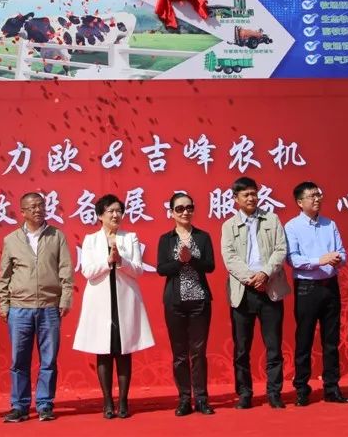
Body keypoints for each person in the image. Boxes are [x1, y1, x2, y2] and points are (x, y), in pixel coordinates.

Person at [73, 194, 154, 419]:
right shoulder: (91, 240)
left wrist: (120, 261)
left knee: (124, 351)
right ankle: (107, 401)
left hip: (125, 300)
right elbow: (87, 271)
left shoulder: (130, 237)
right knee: (104, 351)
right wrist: (107, 261)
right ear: (100, 215)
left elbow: (138, 269)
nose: (116, 215)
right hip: (100, 302)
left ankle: (124, 401)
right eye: (111, 211)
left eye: (119, 211)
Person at [0, 193, 73, 423]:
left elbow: (66, 271)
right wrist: (4, 304)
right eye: (32, 207)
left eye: (41, 205)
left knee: (48, 360)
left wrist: (65, 300)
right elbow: (4, 276)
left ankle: (45, 404)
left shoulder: (56, 236)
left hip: (49, 307)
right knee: (19, 361)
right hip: (19, 308)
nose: (38, 210)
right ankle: (19, 406)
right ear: (22, 212)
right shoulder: (11, 240)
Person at [221, 176, 290, 410]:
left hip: (270, 289)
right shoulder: (228, 226)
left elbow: (281, 249)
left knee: (274, 346)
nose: (251, 198)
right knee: (242, 348)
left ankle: (274, 392)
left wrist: (265, 274)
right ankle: (244, 393)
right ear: (236, 198)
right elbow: (229, 257)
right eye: (246, 195)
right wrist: (251, 278)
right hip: (243, 292)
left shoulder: (272, 219)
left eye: (253, 193)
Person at [285, 181, 348, 406]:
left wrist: (337, 258)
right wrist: (319, 260)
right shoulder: (292, 227)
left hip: (330, 286)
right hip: (307, 288)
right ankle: (302, 389)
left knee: (331, 341)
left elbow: (342, 253)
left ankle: (332, 388)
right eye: (311, 196)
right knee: (304, 340)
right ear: (299, 202)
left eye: (318, 195)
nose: (316, 199)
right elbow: (292, 259)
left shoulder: (329, 224)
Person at [157, 192, 216, 416]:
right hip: (175, 302)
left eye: (189, 208)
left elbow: (210, 266)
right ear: (171, 212)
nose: (185, 212)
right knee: (180, 353)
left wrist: (192, 259)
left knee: (198, 352)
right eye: (180, 208)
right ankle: (184, 399)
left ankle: (201, 398)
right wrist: (180, 261)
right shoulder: (166, 239)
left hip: (199, 301)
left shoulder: (202, 236)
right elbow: (162, 269)